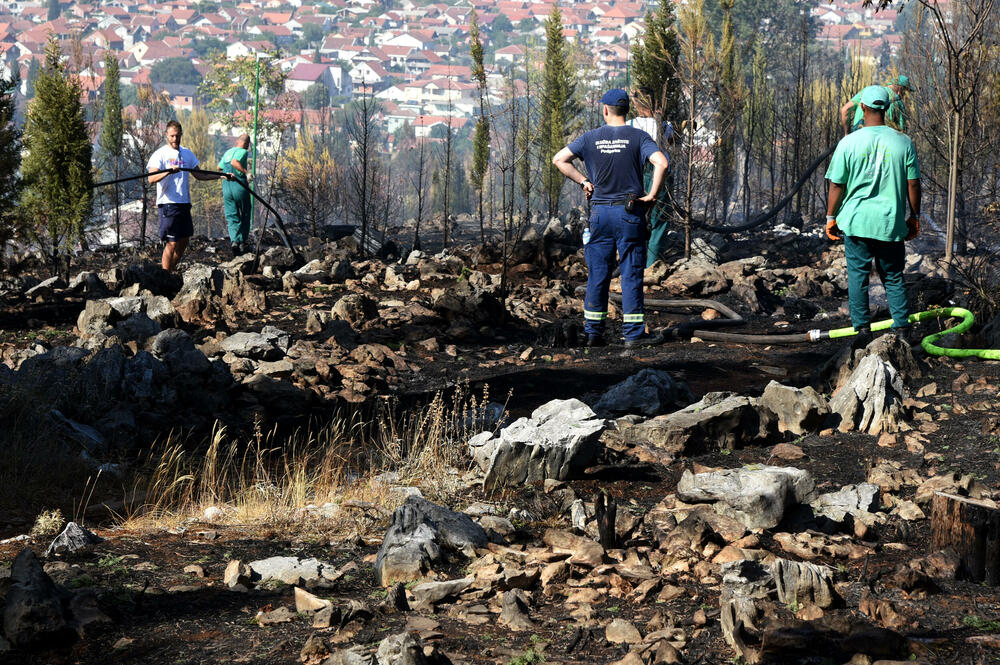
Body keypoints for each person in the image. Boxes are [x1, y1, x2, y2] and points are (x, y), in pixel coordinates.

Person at [552, 88, 670, 348]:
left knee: (598, 274)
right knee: (630, 273)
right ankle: (633, 335)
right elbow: (661, 162)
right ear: (626, 111)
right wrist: (652, 194)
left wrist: (584, 180)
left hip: (600, 214)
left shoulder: (590, 138)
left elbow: (559, 159)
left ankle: (593, 333)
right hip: (629, 213)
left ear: (605, 109)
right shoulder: (639, 137)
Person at [826, 85, 921, 342]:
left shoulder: (848, 143)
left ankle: (862, 331)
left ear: (863, 107)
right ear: (887, 108)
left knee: (858, 277)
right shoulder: (904, 142)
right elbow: (913, 184)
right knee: (892, 276)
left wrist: (830, 217)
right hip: (890, 223)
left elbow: (836, 184)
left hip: (856, 222)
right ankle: (902, 330)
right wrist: (914, 217)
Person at [147, 120, 229, 271]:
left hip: (184, 203)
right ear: (166, 135)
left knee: (184, 240)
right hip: (168, 203)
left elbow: (199, 174)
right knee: (171, 242)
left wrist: (221, 175)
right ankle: (165, 275)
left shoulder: (187, 154)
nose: (175, 139)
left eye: (177, 136)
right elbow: (151, 178)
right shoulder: (160, 154)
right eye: (172, 136)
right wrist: (168, 171)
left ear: (181, 135)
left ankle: (170, 271)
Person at [627, 87, 671, 268]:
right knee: (659, 221)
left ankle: (632, 263)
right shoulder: (665, 125)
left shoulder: (629, 125)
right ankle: (652, 266)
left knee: (633, 218)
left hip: (636, 175)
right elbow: (671, 144)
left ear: (636, 104)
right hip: (661, 175)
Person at [840, 75, 912, 135]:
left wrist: (847, 134)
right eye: (906, 92)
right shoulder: (898, 102)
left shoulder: (866, 91)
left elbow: (845, 110)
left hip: (857, 138)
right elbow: (901, 132)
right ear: (900, 91)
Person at [219, 134, 252, 257]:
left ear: (237, 141)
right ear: (247, 144)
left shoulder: (228, 152)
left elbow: (219, 167)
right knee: (245, 212)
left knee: (232, 215)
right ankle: (243, 242)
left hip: (227, 188)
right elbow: (234, 162)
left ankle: (234, 241)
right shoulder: (243, 151)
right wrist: (246, 172)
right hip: (239, 187)